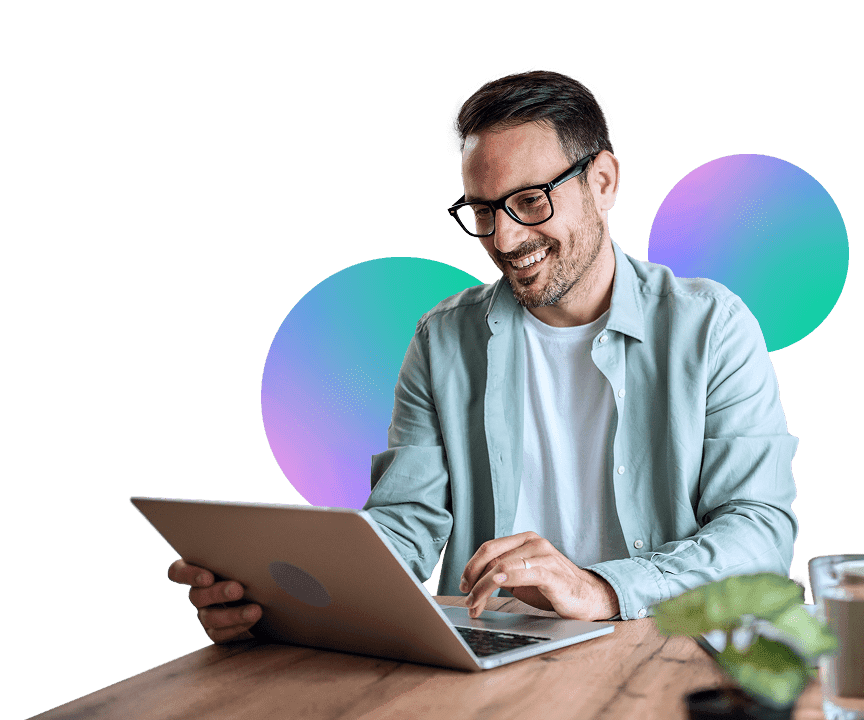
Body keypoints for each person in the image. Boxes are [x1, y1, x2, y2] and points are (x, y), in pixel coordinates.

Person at [169, 70, 799, 643]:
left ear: (602, 182)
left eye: (530, 201)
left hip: (660, 648)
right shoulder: (442, 340)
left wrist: (600, 588)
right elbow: (407, 526)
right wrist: (284, 595)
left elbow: (760, 532)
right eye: (482, 210)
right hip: (492, 659)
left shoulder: (711, 326)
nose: (505, 237)